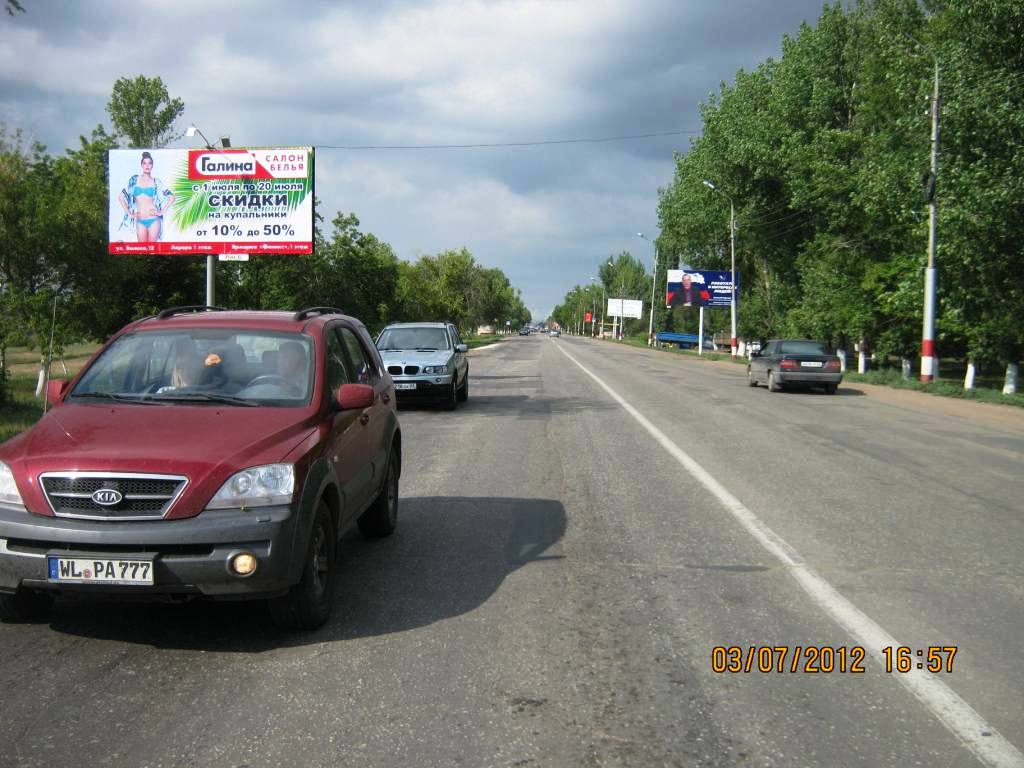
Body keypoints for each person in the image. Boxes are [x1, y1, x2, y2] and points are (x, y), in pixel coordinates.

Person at [118, 151, 174, 243]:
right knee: (142, 249)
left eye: (150, 163)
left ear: (152, 165)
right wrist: (129, 213)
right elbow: (121, 197)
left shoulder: (156, 182)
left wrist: (161, 211)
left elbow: (171, 197)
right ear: (141, 165)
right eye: (145, 163)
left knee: (152, 249)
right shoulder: (134, 180)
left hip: (153, 220)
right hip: (140, 220)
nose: (147, 166)